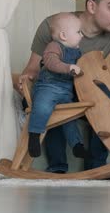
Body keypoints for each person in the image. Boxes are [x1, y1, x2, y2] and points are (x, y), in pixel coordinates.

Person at [19, 0, 110, 173]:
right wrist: (25, 79)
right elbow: (33, 69)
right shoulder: (54, 25)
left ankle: (96, 166)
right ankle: (57, 167)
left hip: (89, 91)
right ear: (91, 6)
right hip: (58, 86)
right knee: (52, 98)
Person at [27, 12, 89, 159]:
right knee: (42, 107)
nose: (82, 35)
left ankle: (77, 145)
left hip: (66, 92)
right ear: (63, 35)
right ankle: (34, 135)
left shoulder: (78, 52)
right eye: (78, 32)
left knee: (70, 118)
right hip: (48, 87)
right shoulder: (53, 46)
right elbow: (51, 63)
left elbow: (83, 69)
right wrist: (69, 68)